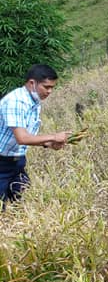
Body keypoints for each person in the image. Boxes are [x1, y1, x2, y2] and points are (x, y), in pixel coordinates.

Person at [0, 64, 72, 206]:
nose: (50, 91)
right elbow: (22, 138)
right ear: (32, 83)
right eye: (46, 87)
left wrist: (48, 144)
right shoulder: (16, 102)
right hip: (2, 163)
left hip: (17, 162)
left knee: (23, 202)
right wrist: (53, 136)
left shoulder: (34, 102)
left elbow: (26, 137)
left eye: (52, 87)